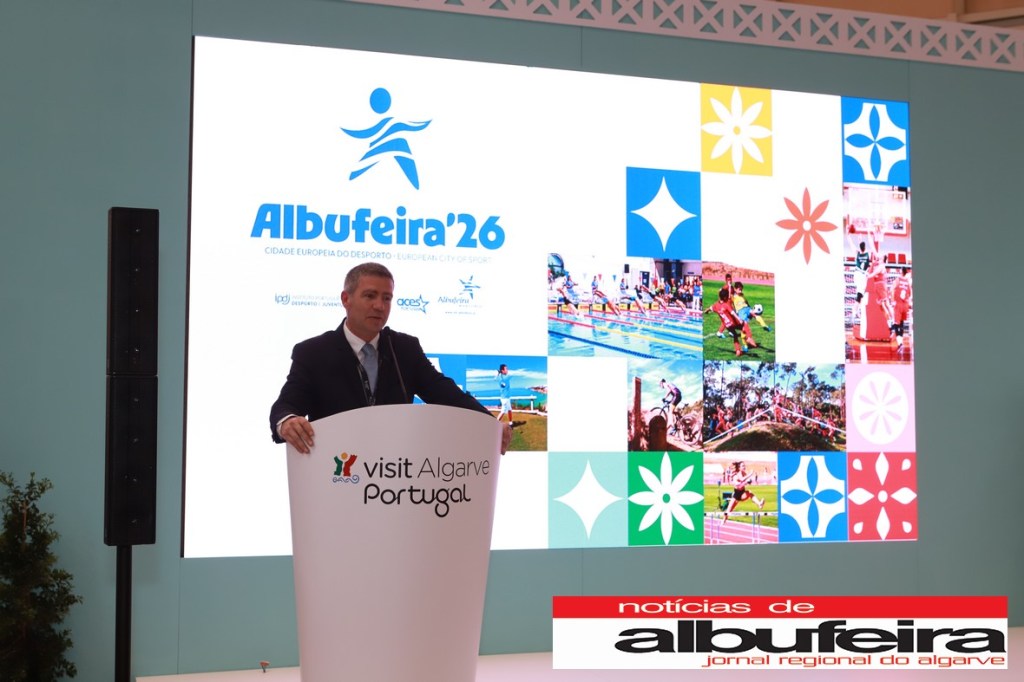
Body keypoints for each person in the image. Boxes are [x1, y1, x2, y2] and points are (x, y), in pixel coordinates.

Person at [270, 262, 512, 454]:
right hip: (337, 475)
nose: (379, 306)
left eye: (387, 298)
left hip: (394, 478)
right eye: (370, 296)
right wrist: (288, 422)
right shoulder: (313, 352)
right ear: (346, 299)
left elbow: (445, 392)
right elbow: (285, 406)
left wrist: (489, 424)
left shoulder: (404, 348)